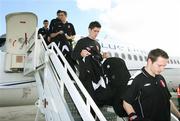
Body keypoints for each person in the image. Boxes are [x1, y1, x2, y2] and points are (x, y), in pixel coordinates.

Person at [122, 48, 180, 121]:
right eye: (159, 65)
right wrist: (133, 117)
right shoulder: (137, 79)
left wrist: (179, 115)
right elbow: (126, 102)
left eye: (164, 66)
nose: (162, 69)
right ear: (149, 61)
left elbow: (167, 100)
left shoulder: (160, 78)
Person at [72, 21, 110, 105]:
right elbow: (73, 56)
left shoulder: (97, 44)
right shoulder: (82, 42)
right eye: (95, 31)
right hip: (86, 76)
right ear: (89, 30)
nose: (96, 33)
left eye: (98, 31)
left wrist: (103, 56)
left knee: (97, 101)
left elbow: (97, 59)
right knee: (89, 102)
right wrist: (80, 54)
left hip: (97, 75)